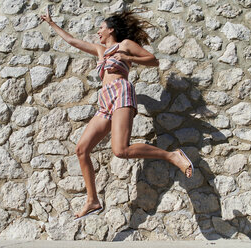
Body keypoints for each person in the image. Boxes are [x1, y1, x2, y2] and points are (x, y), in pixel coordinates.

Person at [40, 8, 194, 219]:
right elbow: (73, 41)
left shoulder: (125, 45)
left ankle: (171, 155)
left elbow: (153, 60)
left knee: (120, 150)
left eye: (101, 28)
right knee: (81, 149)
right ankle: (92, 200)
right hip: (105, 100)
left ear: (111, 29)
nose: (98, 32)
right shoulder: (100, 50)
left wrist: (128, 56)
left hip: (121, 91)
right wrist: (51, 23)